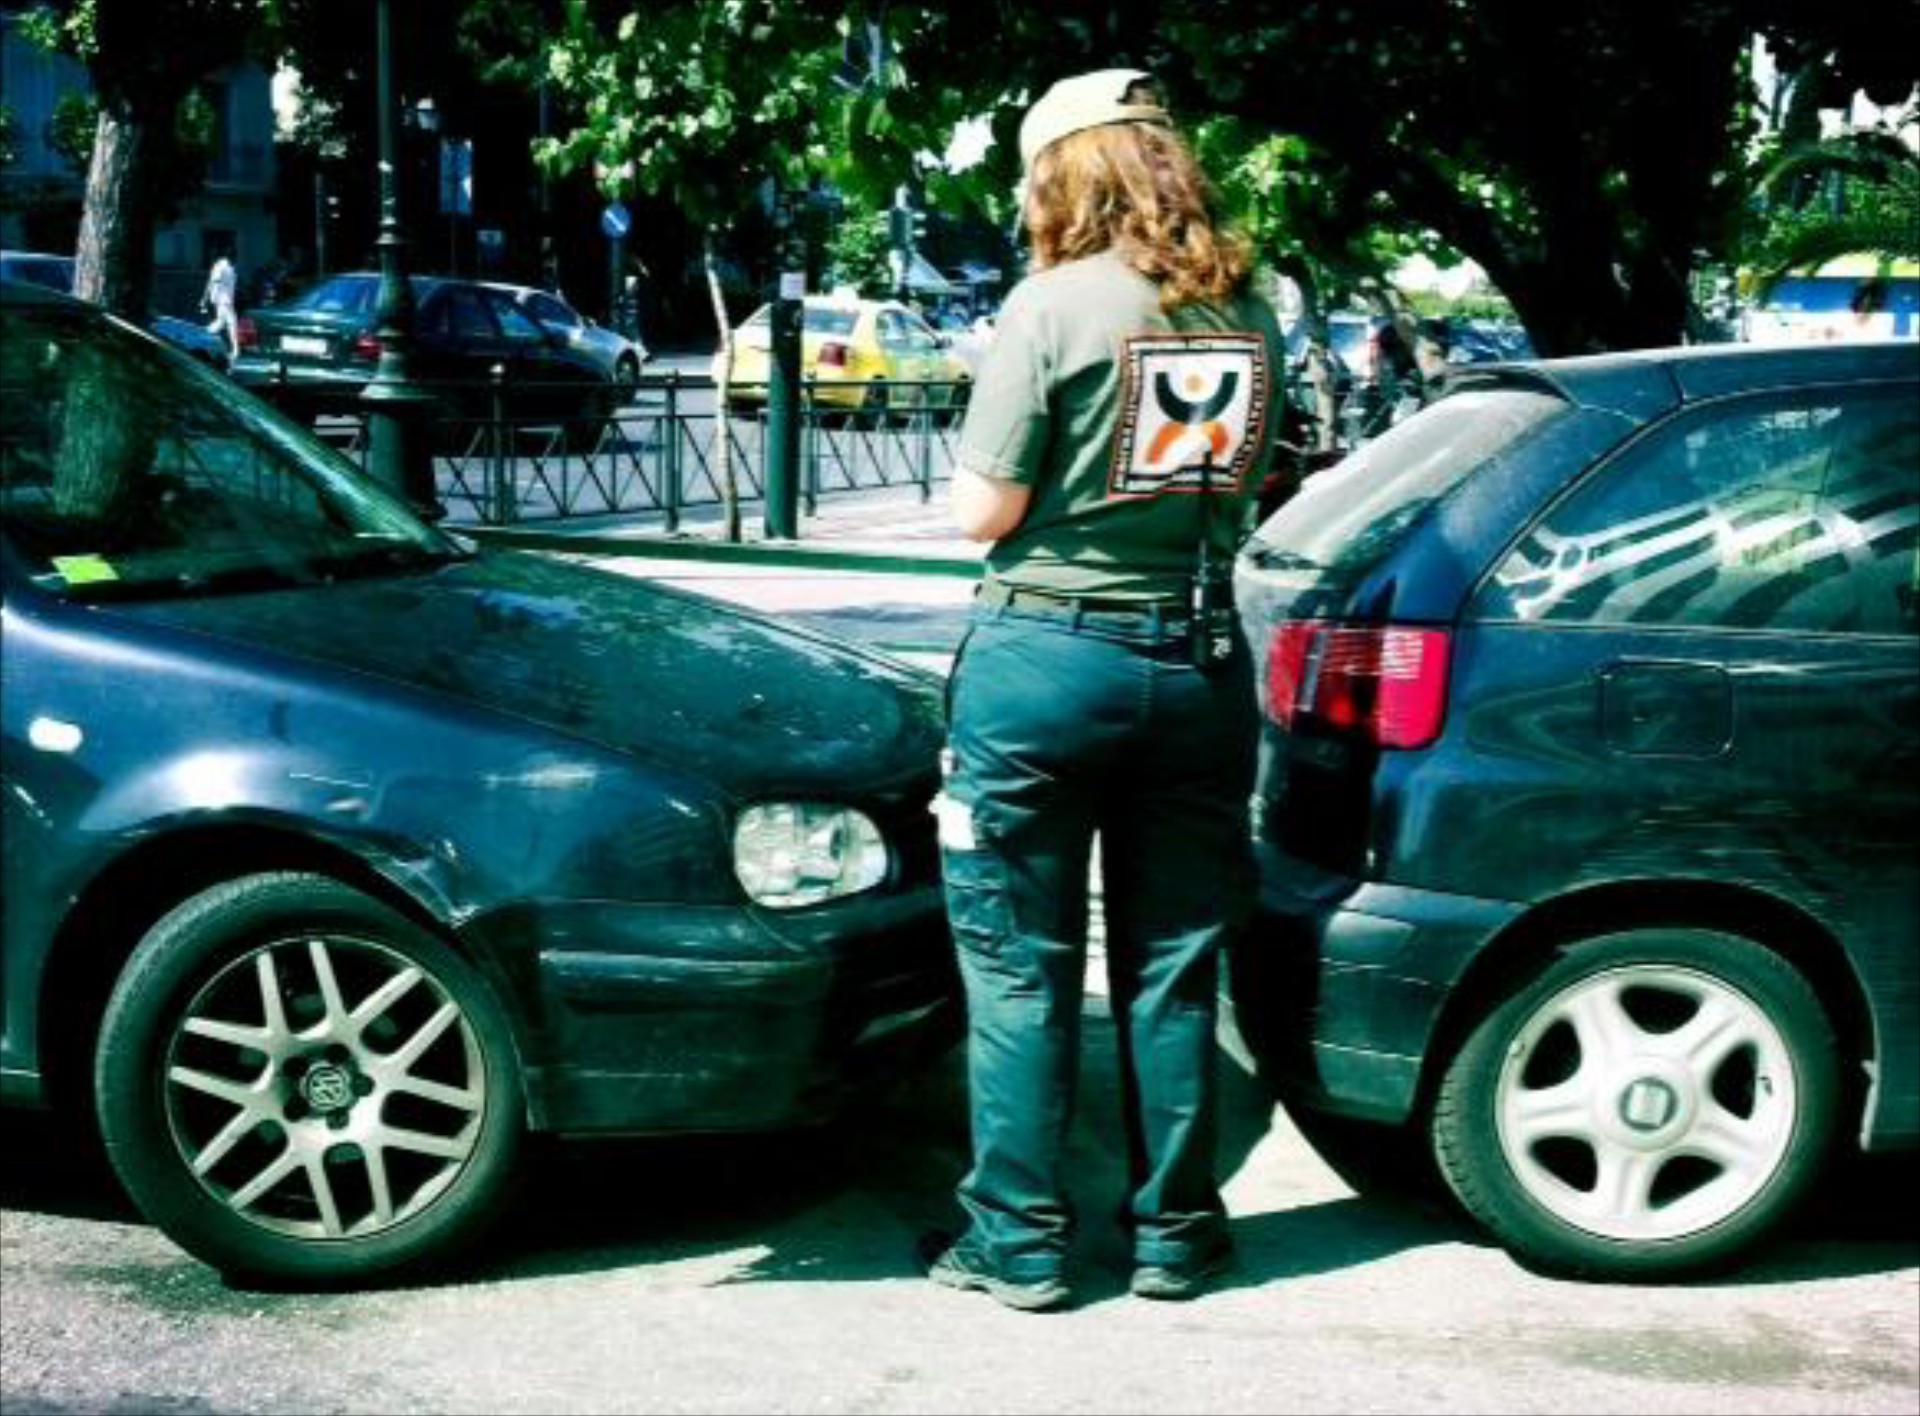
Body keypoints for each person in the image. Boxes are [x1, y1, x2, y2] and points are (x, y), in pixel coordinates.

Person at [922, 68, 1283, 1312]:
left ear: (1062, 176)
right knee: (1174, 962)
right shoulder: (1251, 306)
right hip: (1198, 661)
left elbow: (985, 511)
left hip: (1045, 663)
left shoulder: (1050, 305)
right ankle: (1177, 1233)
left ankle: (1018, 1240)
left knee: (1020, 961)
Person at [200, 247, 240, 360]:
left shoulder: (231, 267)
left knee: (221, 323)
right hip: (222, 300)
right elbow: (213, 283)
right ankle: (236, 350)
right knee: (232, 322)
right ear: (228, 257)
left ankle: (202, 335)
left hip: (227, 300)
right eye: (233, 257)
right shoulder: (220, 266)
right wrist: (206, 299)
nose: (235, 259)